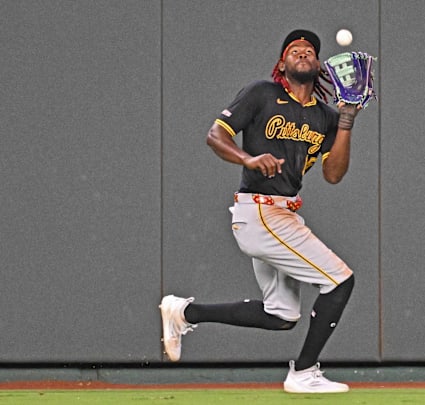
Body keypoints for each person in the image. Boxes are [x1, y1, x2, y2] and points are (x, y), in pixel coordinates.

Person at [159, 29, 362, 394]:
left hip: (282, 214)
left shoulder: (327, 117)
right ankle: (303, 372)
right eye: (294, 49)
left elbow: (334, 175)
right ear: (281, 64)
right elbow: (215, 136)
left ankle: (183, 312)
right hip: (261, 213)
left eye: (309, 50)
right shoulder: (262, 94)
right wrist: (248, 158)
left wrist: (346, 121)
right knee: (339, 280)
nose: (302, 51)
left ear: (318, 66)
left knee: (281, 316)